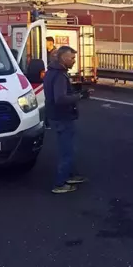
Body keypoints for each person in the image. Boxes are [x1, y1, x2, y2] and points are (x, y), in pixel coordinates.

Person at [43, 46, 92, 193]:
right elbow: (60, 98)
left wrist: (76, 92)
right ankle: (60, 183)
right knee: (67, 151)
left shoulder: (52, 72)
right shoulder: (59, 75)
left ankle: (70, 175)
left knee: (68, 149)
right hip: (62, 117)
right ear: (63, 59)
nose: (74, 61)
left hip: (56, 116)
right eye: (72, 58)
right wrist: (79, 97)